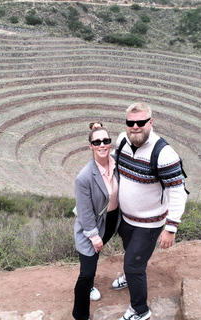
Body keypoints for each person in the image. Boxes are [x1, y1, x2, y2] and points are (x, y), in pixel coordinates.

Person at [113, 102, 188, 320]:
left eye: (141, 122)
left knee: (134, 264)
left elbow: (178, 191)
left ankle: (140, 311)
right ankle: (131, 277)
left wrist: (171, 227)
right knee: (131, 255)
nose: (135, 126)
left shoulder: (164, 154)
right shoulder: (121, 141)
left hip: (149, 223)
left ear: (150, 122)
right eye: (131, 122)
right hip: (126, 218)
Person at [72, 122, 121, 320]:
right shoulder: (84, 177)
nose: (102, 145)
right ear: (90, 146)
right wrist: (93, 236)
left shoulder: (117, 162)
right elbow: (84, 213)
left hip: (112, 219)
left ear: (110, 143)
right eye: (97, 142)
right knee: (86, 271)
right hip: (91, 225)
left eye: (106, 141)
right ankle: (80, 314)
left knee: (96, 256)